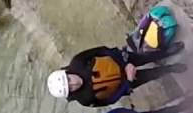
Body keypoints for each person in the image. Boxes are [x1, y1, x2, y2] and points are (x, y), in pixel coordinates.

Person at [47, 43, 184, 107]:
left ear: (67, 73)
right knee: (151, 75)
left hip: (120, 61)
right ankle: (171, 68)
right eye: (71, 88)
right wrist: (128, 83)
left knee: (144, 58)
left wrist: (124, 62)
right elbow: (111, 100)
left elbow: (102, 50)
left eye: (69, 80)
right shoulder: (85, 99)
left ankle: (167, 51)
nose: (74, 83)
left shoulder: (78, 61)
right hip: (125, 82)